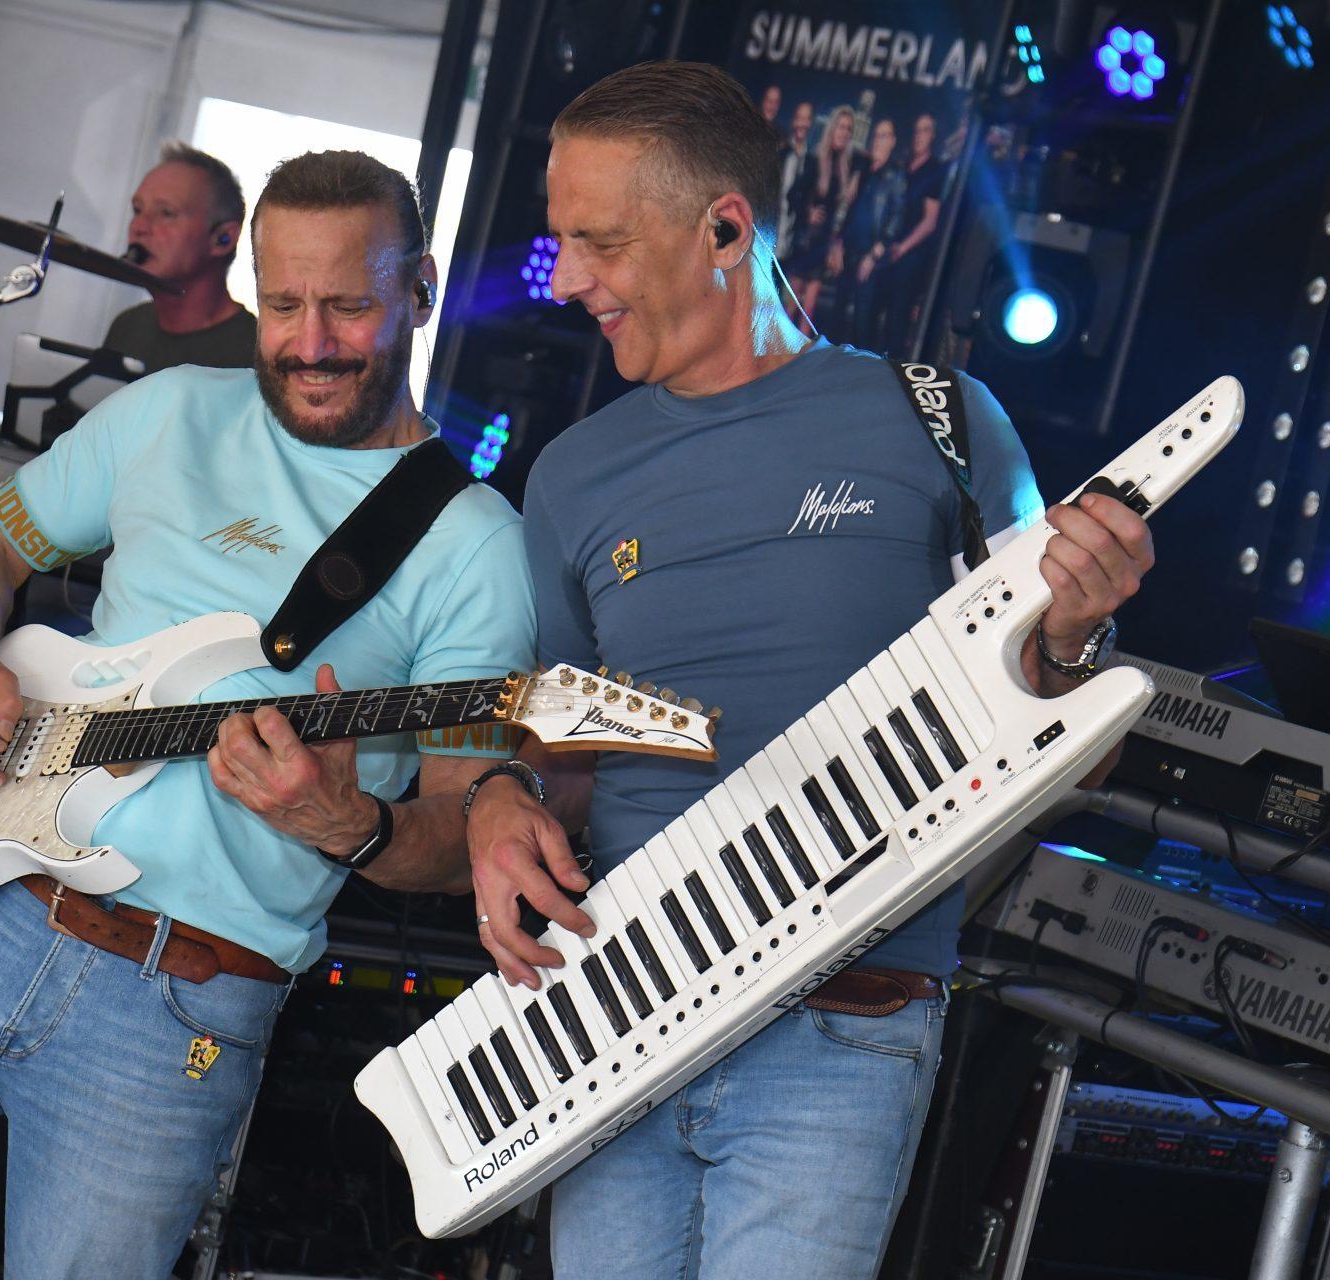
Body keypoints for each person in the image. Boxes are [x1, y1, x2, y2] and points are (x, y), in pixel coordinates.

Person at [0, 150, 535, 1279]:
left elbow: (466, 832)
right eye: (283, 304)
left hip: (181, 1003)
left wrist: (347, 823)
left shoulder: (474, 546)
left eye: (349, 306)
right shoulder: (172, 412)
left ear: (419, 288)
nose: (311, 341)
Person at [463, 61, 1154, 1279]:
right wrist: (499, 800)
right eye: (561, 241)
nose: (565, 281)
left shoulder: (943, 422)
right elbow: (567, 747)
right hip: (616, 1014)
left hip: (845, 1022)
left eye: (599, 242)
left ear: (727, 229)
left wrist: (1071, 640)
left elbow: (1064, 756)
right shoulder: (569, 472)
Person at [101, 141, 257, 373]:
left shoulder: (257, 353)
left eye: (166, 213)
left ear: (223, 239)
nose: (138, 226)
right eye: (137, 210)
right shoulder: (128, 327)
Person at [876, 113, 961, 358]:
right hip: (890, 249)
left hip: (911, 255)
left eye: (924, 130)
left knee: (899, 319)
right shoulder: (903, 167)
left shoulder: (935, 170)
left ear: (932, 135)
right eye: (916, 130)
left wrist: (903, 247)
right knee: (880, 315)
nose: (918, 136)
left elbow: (930, 221)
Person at [834, 116, 907, 350]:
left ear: (893, 141)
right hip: (849, 253)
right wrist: (838, 244)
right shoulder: (864, 171)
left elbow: (896, 219)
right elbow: (849, 210)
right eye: (876, 135)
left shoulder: (895, 176)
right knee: (837, 319)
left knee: (862, 325)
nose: (877, 141)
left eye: (883, 136)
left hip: (871, 259)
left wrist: (874, 255)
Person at [783, 104, 857, 330]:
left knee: (809, 310)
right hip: (807, 241)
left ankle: (801, 352)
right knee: (792, 305)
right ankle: (775, 348)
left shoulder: (844, 168)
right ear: (832, 128)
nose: (844, 132)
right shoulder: (815, 160)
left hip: (823, 243)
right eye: (841, 127)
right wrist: (808, 213)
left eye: (849, 128)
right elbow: (792, 194)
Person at [775, 100, 813, 265]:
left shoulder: (812, 162)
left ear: (810, 123)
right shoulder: (780, 153)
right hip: (770, 231)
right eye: (799, 118)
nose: (802, 123)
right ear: (793, 121)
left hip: (792, 241)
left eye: (806, 119)